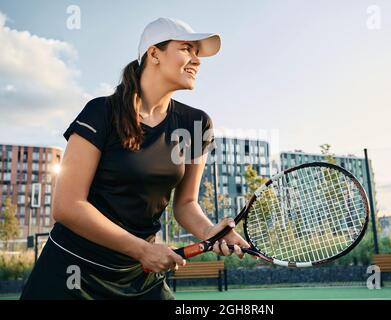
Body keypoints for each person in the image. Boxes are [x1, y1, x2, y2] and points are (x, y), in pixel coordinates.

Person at [20, 17, 249, 300]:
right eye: (187, 49)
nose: (196, 60)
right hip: (73, 271)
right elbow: (67, 206)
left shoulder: (196, 124)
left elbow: (186, 203)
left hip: (139, 275)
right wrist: (142, 249)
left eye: (197, 53)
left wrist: (210, 232)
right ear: (154, 54)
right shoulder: (100, 112)